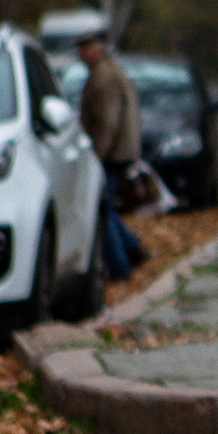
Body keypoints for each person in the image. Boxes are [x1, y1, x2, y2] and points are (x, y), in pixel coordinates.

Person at [75, 30, 147, 280]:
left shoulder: (103, 77)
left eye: (84, 48)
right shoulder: (108, 72)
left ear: (98, 49)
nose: (80, 54)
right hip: (119, 152)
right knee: (105, 207)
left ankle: (119, 265)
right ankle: (132, 248)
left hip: (111, 155)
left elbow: (107, 123)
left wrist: (95, 158)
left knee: (102, 209)